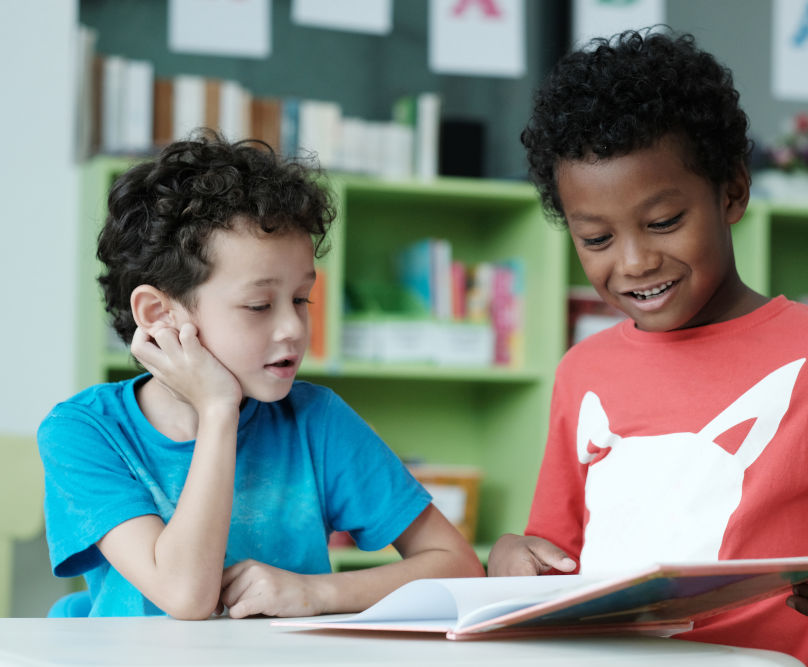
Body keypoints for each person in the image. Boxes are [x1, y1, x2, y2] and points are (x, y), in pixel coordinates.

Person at [487, 29, 808, 666]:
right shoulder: (582, 372)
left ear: (732, 193)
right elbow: (551, 552)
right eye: (597, 239)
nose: (634, 261)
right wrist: (509, 555)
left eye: (664, 223)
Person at [38, 131, 484, 619]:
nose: (293, 328)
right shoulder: (83, 432)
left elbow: (458, 566)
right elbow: (186, 596)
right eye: (258, 305)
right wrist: (217, 410)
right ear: (157, 313)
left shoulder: (317, 421)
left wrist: (315, 593)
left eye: (301, 299)